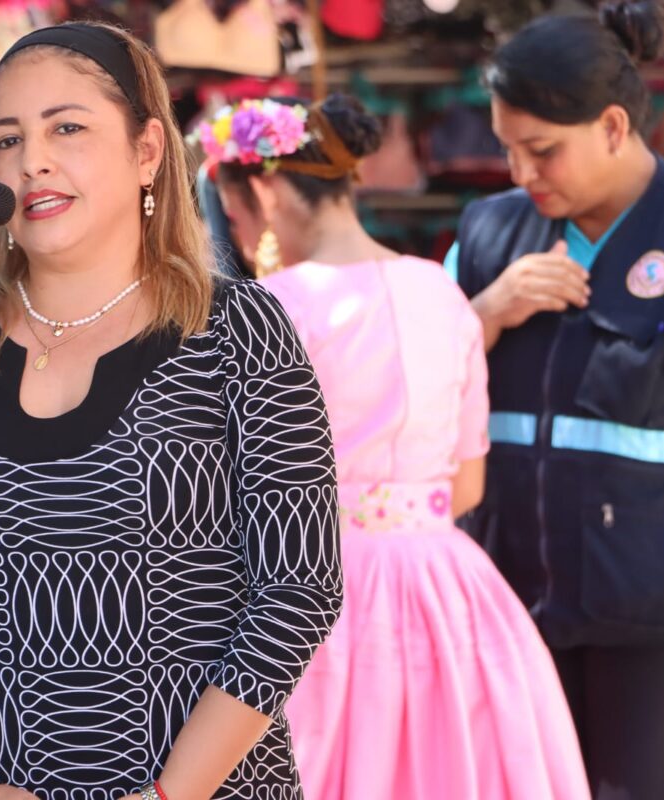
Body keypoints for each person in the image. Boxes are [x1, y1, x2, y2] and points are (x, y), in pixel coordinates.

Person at [0, 21, 343, 800]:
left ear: (147, 151)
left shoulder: (239, 328)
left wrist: (170, 795)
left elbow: (299, 588)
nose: (32, 160)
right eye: (6, 140)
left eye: (66, 128)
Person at [205, 94, 588, 799]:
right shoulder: (441, 292)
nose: (239, 232)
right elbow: (467, 487)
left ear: (263, 193)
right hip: (449, 590)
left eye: (234, 213)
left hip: (308, 591)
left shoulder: (264, 311)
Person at [444, 5, 664, 797]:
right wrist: (485, 313)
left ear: (613, 126)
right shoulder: (487, 236)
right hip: (509, 599)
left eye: (542, 150)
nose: (521, 173)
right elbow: (415, 394)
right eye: (508, 148)